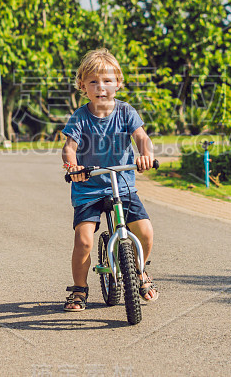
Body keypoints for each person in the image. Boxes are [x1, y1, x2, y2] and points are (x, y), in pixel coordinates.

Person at [61, 48, 158, 311]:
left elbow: (141, 138)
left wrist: (145, 156)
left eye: (106, 81)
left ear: (118, 83)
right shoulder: (81, 117)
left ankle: (139, 272)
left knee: (146, 232)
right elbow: (70, 146)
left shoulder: (126, 112)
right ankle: (79, 290)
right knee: (83, 240)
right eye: (93, 81)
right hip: (88, 187)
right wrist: (72, 165)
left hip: (122, 184)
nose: (100, 87)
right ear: (83, 85)